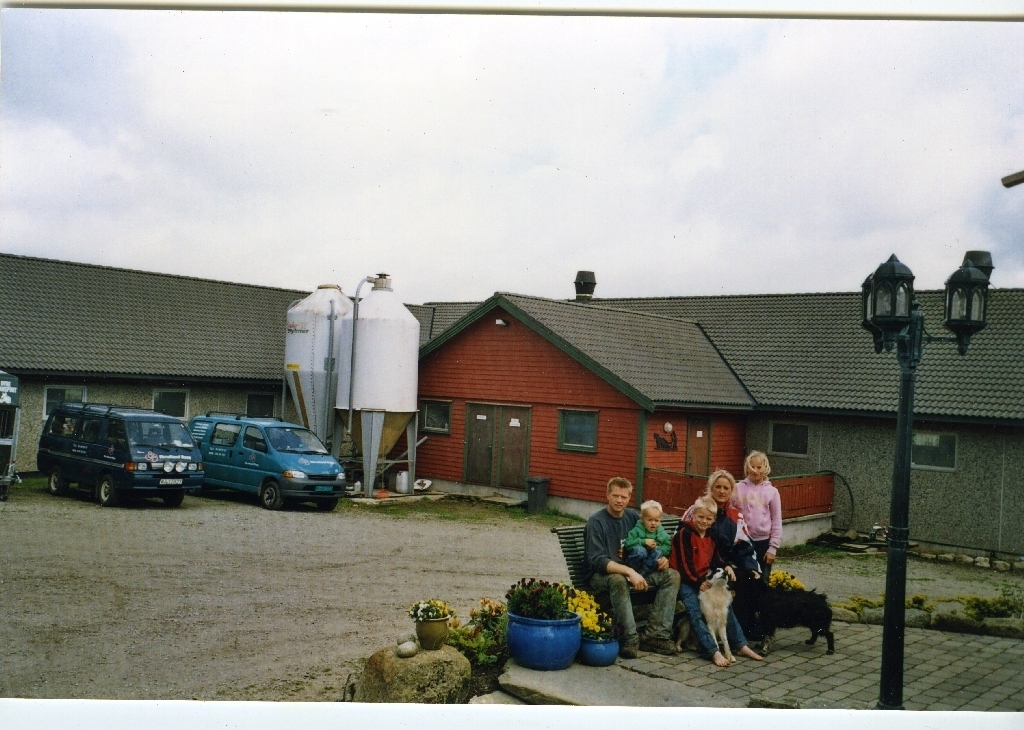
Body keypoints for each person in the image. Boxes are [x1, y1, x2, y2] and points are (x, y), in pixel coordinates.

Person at [584, 477, 681, 659]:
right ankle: (629, 639)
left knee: (672, 575)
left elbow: (655, 540)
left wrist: (663, 559)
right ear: (607, 495)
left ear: (629, 498)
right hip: (601, 575)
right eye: (615, 496)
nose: (619, 500)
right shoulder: (596, 522)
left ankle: (655, 636)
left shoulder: (632, 517)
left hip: (635, 570)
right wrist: (629, 572)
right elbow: (597, 561)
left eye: (624, 497)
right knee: (619, 580)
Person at [670, 495, 763, 667]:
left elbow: (715, 559)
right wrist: (698, 582)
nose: (704, 521)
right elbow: (685, 563)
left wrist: (725, 565)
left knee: (725, 608)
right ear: (693, 516)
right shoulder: (684, 534)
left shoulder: (710, 536)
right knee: (696, 613)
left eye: (708, 518)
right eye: (700, 517)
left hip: (703, 578)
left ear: (713, 520)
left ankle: (740, 644)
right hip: (686, 580)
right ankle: (713, 652)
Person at [733, 451, 783, 582]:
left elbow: (777, 520)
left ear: (765, 468)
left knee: (762, 581)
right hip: (743, 542)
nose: (755, 471)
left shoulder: (772, 492)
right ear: (747, 468)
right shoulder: (737, 488)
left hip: (763, 544)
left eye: (759, 467)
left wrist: (773, 548)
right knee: (743, 579)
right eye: (752, 467)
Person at [622, 499, 672, 577]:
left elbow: (667, 547)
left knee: (657, 552)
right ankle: (632, 572)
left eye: (656, 520)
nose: (653, 523)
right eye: (650, 520)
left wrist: (656, 547)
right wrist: (643, 542)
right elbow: (628, 544)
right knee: (640, 551)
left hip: (649, 566)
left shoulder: (661, 532)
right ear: (642, 519)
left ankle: (642, 574)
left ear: (660, 520)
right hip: (635, 562)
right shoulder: (637, 530)